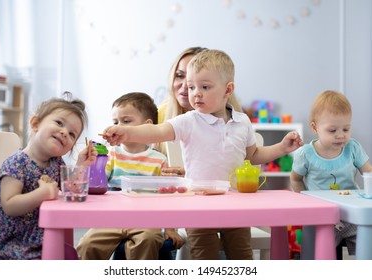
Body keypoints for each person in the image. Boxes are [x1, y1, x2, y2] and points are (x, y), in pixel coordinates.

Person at [101, 49, 303, 260]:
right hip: (197, 205)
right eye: (191, 86)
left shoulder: (242, 121)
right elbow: (157, 131)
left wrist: (282, 147)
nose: (195, 93)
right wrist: (127, 132)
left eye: (205, 87)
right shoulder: (189, 121)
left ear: (228, 90)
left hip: (235, 204)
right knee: (203, 260)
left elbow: (253, 155)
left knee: (242, 258)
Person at [0, 92, 97, 260]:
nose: (65, 132)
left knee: (71, 256)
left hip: (39, 236)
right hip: (9, 242)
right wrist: (42, 194)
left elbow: (69, 189)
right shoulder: (16, 163)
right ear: (35, 123)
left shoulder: (57, 163)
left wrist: (81, 165)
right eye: (59, 123)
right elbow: (9, 205)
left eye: (72, 134)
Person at [76, 92, 184, 260]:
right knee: (87, 244)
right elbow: (96, 186)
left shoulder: (159, 160)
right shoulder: (110, 156)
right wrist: (92, 164)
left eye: (126, 121)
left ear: (147, 126)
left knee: (148, 240)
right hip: (112, 220)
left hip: (146, 222)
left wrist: (170, 229)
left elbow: (168, 198)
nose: (118, 126)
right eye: (115, 122)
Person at [290, 90, 372, 257]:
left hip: (351, 214)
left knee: (368, 246)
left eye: (346, 129)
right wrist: (306, 201)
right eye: (332, 130)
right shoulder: (305, 154)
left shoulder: (353, 148)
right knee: (321, 256)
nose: (340, 135)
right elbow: (295, 179)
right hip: (322, 217)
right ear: (315, 128)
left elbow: (370, 172)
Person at [157, 46, 242, 177]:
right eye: (179, 75)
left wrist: (194, 172)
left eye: (204, 85)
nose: (186, 86)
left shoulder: (237, 122)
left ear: (227, 90)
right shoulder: (160, 113)